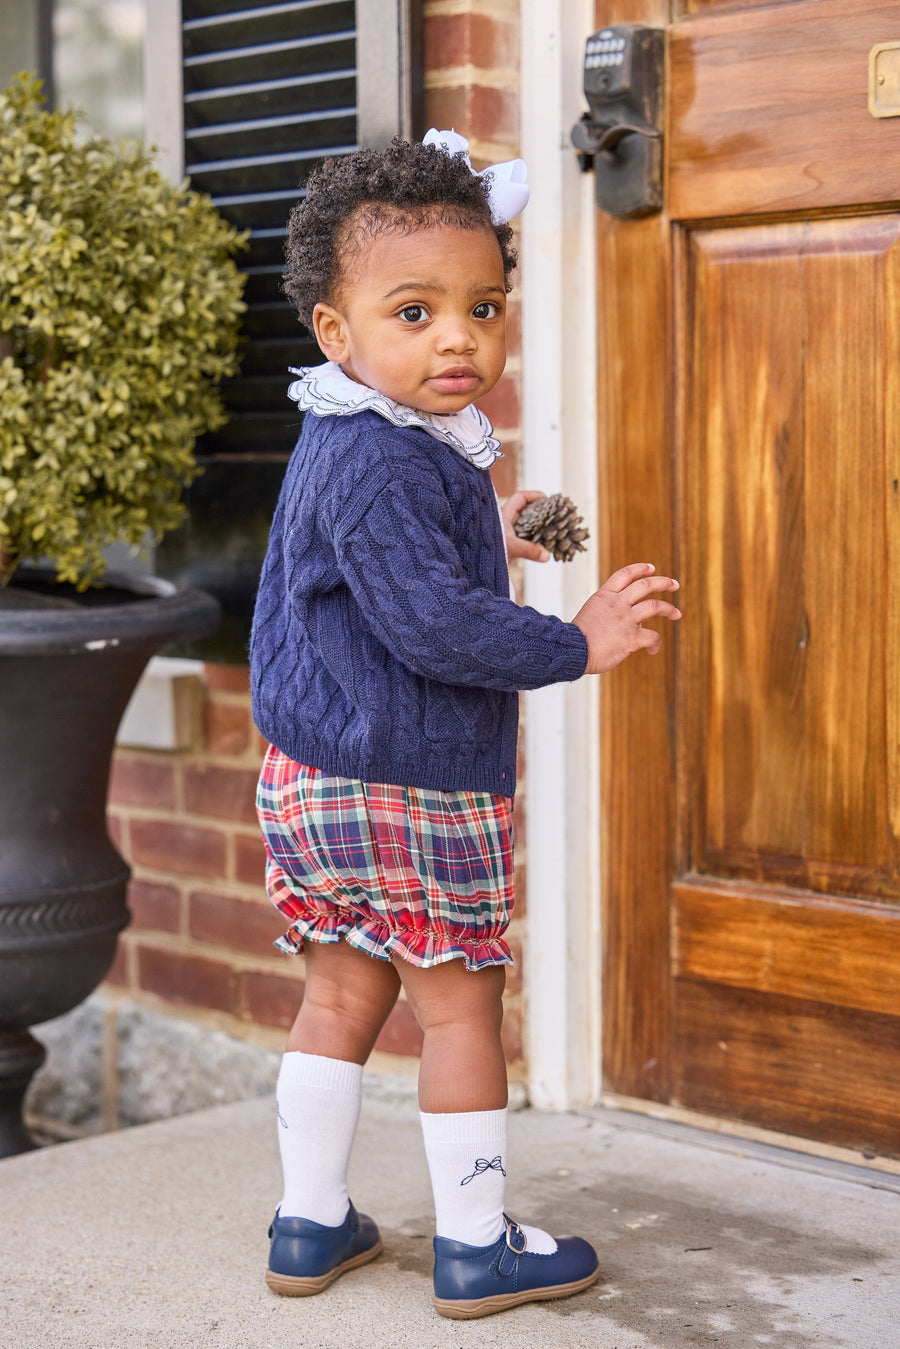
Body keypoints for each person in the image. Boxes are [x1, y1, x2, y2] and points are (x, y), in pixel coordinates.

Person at [249, 129, 680, 1321]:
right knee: (457, 1006)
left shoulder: (358, 432)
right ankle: (479, 1247)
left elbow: (377, 569)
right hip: (415, 779)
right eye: (415, 311)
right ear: (336, 331)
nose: (458, 337)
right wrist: (575, 641)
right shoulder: (384, 459)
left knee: (340, 991)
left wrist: (496, 527)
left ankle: (308, 1222)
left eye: (482, 307)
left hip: (314, 778)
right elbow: (434, 626)